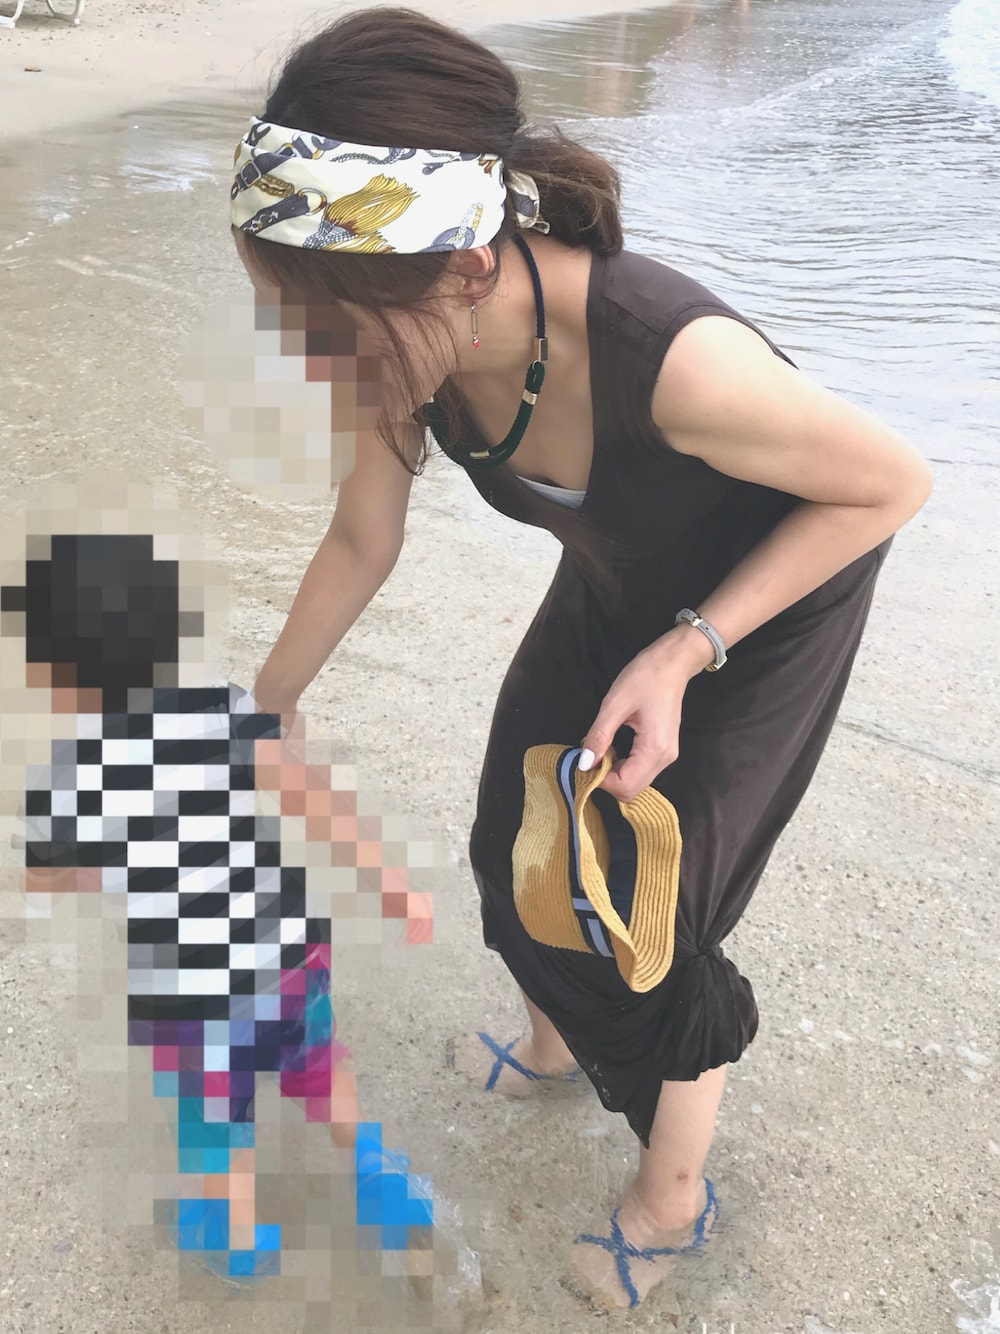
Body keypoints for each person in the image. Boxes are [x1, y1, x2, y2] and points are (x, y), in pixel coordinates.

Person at [232, 7, 934, 1311]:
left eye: (320, 319)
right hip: (619, 576)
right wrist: (263, 711)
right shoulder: (396, 334)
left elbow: (891, 483)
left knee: (644, 921)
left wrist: (688, 646)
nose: (307, 350)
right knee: (513, 840)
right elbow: (362, 535)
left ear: (463, 268)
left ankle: (671, 1197)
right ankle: (554, 1044)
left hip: (759, 610)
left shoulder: (677, 362)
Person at [4, 532, 436, 1284]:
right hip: (288, 952)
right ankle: (377, 1175)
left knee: (213, 1115)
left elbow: (46, 882)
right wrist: (391, 882)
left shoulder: (65, 781)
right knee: (320, 1064)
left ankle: (236, 1238)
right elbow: (312, 800)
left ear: (54, 674)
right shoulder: (221, 705)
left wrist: (103, 870)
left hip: (192, 990)